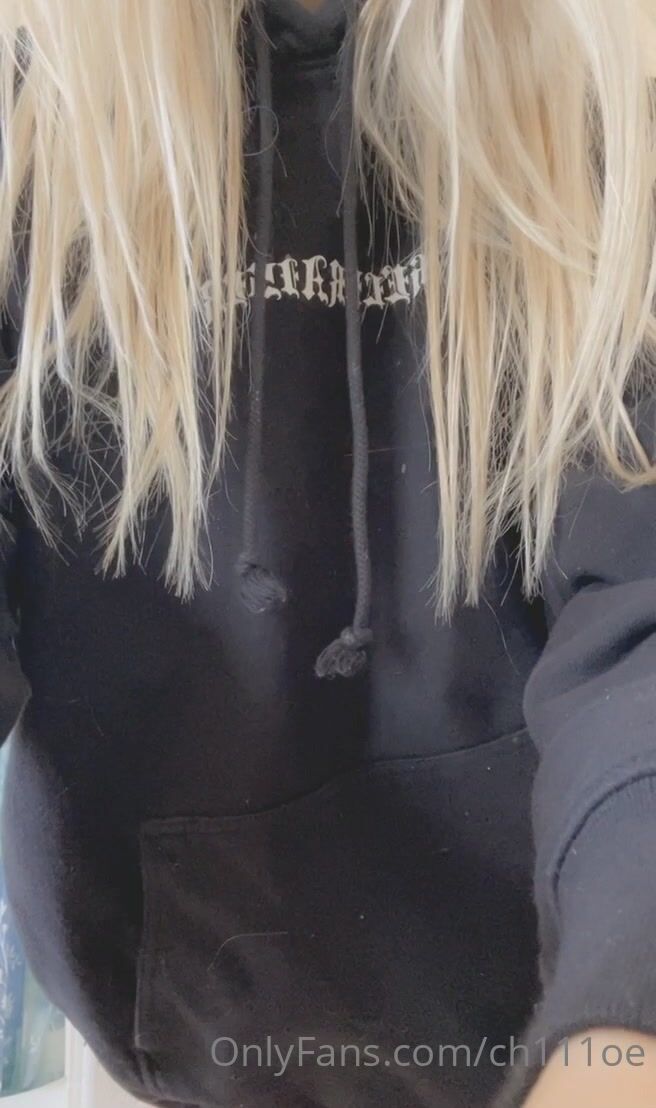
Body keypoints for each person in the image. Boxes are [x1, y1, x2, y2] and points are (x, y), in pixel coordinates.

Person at [0, 0, 655, 1105]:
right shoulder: (33, 95)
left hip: (573, 1004)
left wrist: (624, 1031)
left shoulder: (610, 83)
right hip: (192, 1044)